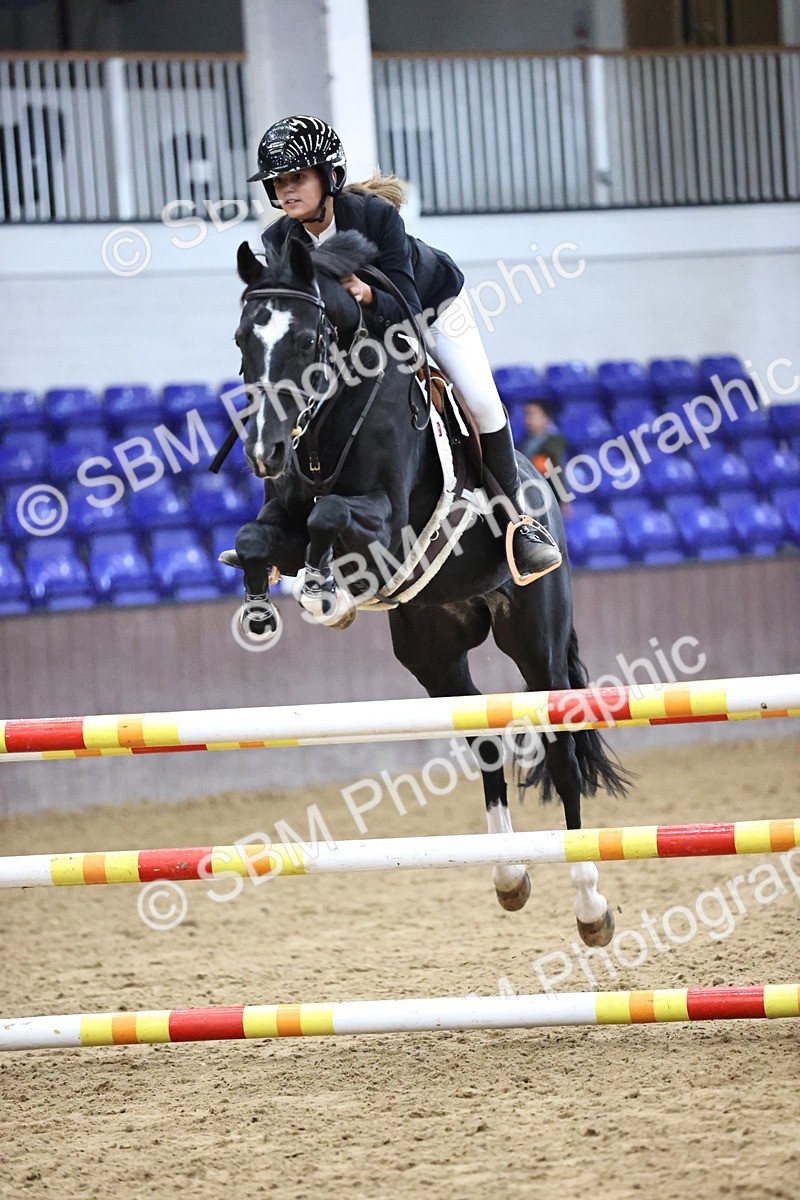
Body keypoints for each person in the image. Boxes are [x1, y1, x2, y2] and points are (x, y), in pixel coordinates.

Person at [243, 114, 562, 581]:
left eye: (297, 177)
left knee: (483, 403)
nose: (286, 190)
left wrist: (367, 294)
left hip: (429, 310)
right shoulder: (278, 239)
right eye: (278, 182)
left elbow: (407, 309)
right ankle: (277, 534)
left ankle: (519, 521)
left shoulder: (375, 216)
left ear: (329, 177)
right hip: (349, 336)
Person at [518, 399, 569, 506]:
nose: (528, 420)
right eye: (526, 415)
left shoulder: (553, 442)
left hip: (547, 497)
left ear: (546, 417)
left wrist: (563, 498)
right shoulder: (524, 441)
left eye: (532, 415)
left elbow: (555, 471)